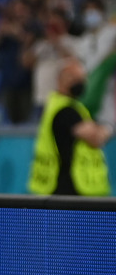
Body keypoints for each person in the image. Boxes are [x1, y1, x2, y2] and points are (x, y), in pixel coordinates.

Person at [28, 59, 112, 196]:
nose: (81, 82)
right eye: (76, 78)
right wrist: (109, 128)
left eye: (82, 78)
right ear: (62, 79)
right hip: (69, 188)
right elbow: (95, 138)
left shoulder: (59, 105)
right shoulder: (66, 110)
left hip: (61, 188)